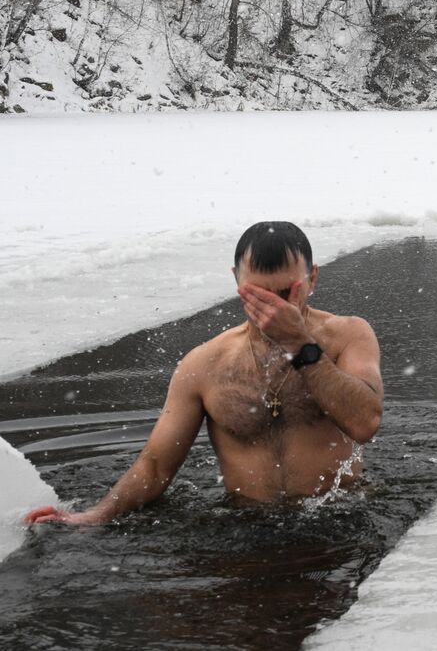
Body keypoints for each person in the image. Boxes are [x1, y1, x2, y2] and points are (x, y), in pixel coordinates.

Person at [26, 221, 383, 524]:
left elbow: (364, 422)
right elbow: (156, 466)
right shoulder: (205, 364)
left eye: (286, 293)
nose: (273, 308)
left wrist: (299, 345)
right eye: (258, 293)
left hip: (336, 518)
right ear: (236, 281)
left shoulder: (347, 336)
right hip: (245, 526)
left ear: (313, 279)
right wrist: (94, 517)